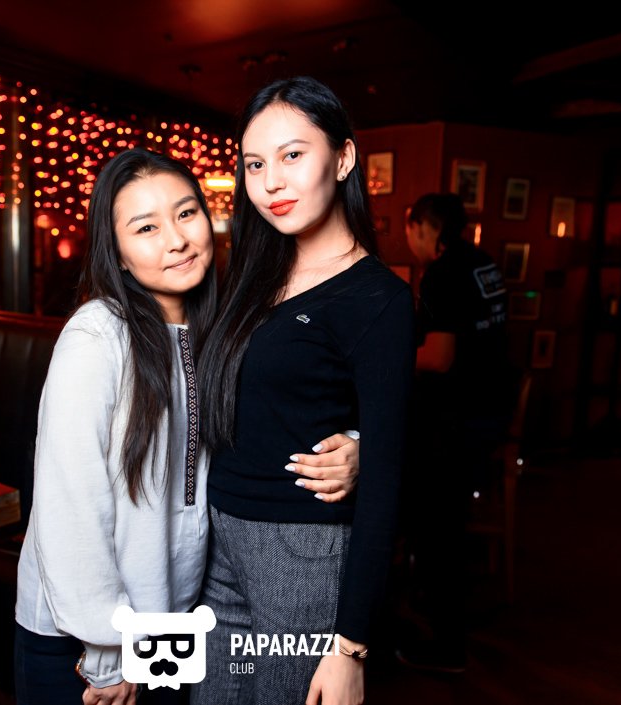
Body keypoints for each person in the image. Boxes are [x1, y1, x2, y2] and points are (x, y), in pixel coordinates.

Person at [13, 148, 360, 705]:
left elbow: (288, 415)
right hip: (87, 643)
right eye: (146, 227)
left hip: (171, 627)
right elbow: (68, 506)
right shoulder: (97, 337)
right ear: (117, 253)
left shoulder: (218, 331)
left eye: (186, 213)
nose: (176, 239)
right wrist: (108, 652)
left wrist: (356, 446)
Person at [194, 77, 414, 705]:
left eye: (292, 155)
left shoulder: (378, 298)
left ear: (343, 159)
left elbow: (387, 481)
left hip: (302, 551)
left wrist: (351, 647)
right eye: (254, 164)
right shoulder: (251, 275)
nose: (271, 182)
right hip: (220, 542)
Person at [395, 192, 511, 673]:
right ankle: (429, 608)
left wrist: (389, 357)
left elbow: (440, 358)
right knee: (441, 519)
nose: (410, 239)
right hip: (491, 411)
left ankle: (445, 645)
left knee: (435, 523)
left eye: (411, 229)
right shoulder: (485, 263)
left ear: (427, 227)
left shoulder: (443, 274)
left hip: (459, 420)